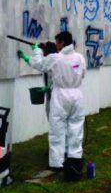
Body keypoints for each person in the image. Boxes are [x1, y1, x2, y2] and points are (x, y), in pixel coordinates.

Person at [18, 31, 86, 171]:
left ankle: (57, 163)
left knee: (57, 129)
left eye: (57, 42)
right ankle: (75, 158)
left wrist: (36, 51)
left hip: (60, 95)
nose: (56, 45)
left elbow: (39, 64)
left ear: (62, 42)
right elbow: (83, 74)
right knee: (76, 127)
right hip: (77, 95)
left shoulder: (55, 58)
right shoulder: (80, 58)